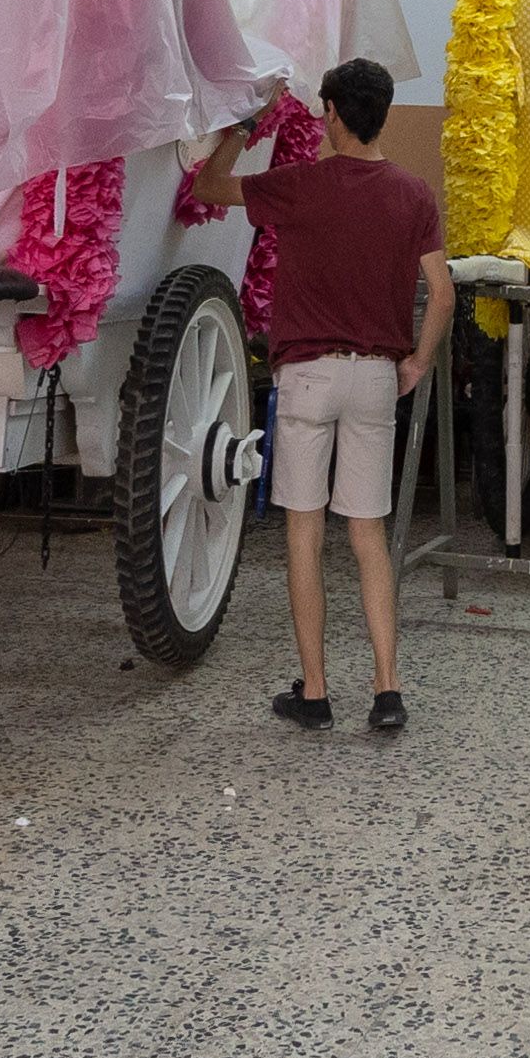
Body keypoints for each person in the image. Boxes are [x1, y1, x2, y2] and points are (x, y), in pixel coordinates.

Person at [190, 57, 450, 735]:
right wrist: (416, 361)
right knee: (367, 535)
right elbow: (442, 294)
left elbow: (210, 184)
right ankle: (387, 689)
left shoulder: (300, 186)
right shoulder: (413, 194)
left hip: (307, 372)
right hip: (375, 376)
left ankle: (315, 689)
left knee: (304, 533)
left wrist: (250, 122)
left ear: (331, 112)